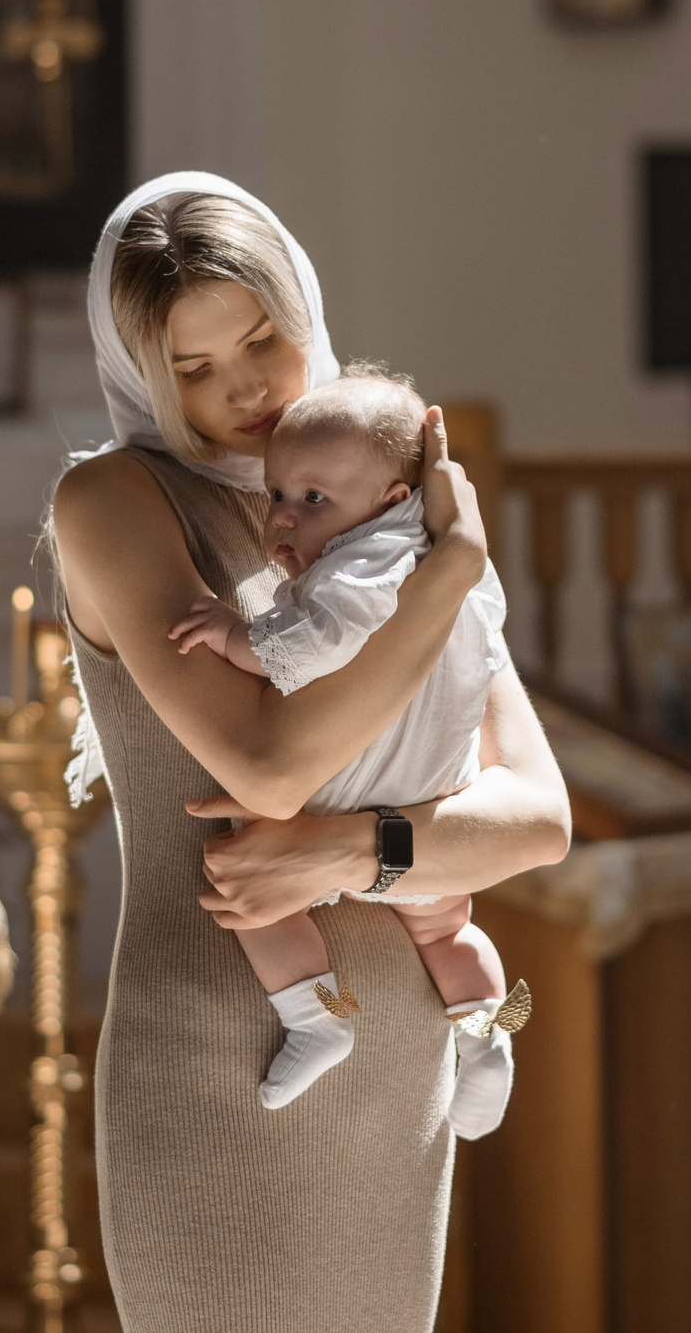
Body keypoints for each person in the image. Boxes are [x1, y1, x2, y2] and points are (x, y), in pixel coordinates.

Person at [47, 174, 571, 1332]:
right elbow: (268, 772)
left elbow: (537, 817)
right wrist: (444, 579)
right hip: (216, 1064)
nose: (242, 388)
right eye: (190, 367)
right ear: (141, 369)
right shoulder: (115, 503)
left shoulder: (376, 506)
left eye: (262, 339)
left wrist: (348, 858)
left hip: (398, 1075)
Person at [168, 367, 525, 1128]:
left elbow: (313, 644)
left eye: (314, 499)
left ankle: (317, 1017)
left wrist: (236, 633)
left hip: (350, 793)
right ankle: (487, 1038)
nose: (285, 520)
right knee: (450, 931)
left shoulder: (367, 563)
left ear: (393, 502)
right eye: (277, 496)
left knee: (247, 868)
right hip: (432, 813)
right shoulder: (441, 558)